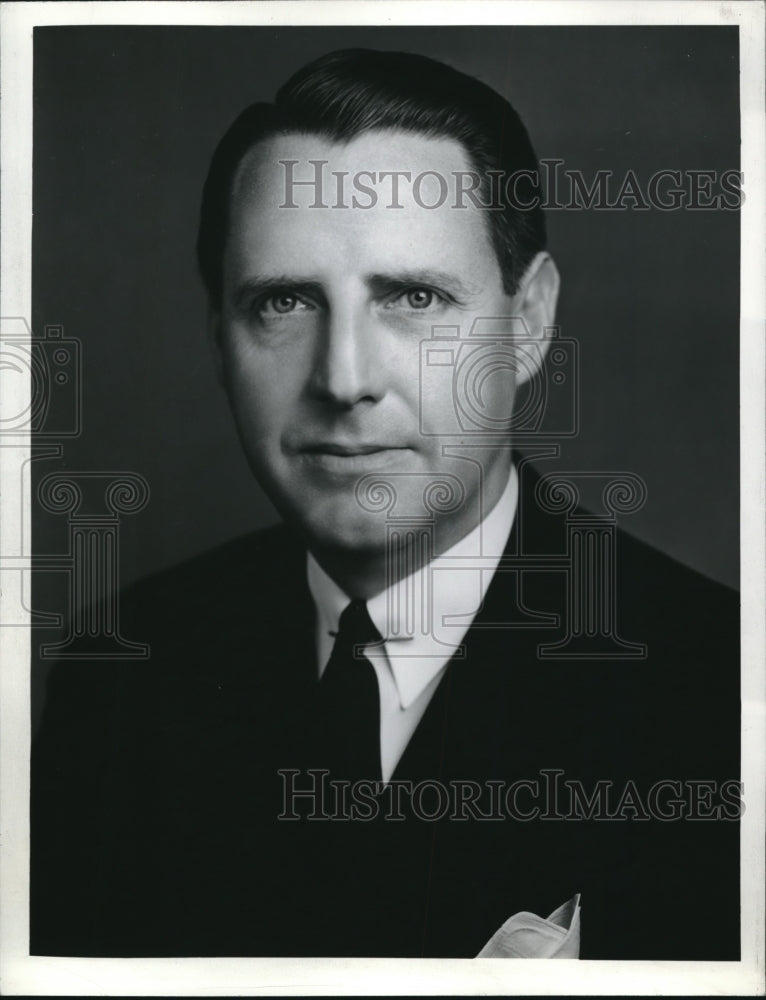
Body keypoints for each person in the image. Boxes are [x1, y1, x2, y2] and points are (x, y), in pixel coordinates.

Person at [31, 48, 740, 960]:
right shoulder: (119, 676)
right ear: (218, 340)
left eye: (414, 296)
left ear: (529, 321)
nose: (344, 379)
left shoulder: (722, 693)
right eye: (285, 301)